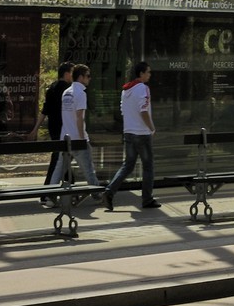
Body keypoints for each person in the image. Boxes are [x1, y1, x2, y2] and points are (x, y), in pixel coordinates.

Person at [104, 60, 160, 211]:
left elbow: (123, 111)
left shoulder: (125, 90)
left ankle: (109, 191)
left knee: (128, 165)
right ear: (141, 73)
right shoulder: (143, 88)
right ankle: (147, 199)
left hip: (128, 132)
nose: (149, 75)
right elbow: (143, 111)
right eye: (148, 72)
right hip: (142, 133)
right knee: (148, 167)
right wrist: (152, 128)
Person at [57, 64, 100, 198]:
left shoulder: (66, 92)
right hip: (77, 138)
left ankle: (49, 196)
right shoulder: (81, 93)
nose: (89, 79)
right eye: (88, 76)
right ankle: (98, 195)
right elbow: (79, 118)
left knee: (59, 171)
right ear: (81, 77)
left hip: (65, 138)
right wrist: (82, 139)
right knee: (89, 170)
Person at [39, 59, 74, 199]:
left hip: (54, 127)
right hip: (63, 129)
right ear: (66, 74)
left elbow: (45, 110)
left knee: (62, 158)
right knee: (58, 160)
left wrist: (35, 128)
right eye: (72, 73)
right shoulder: (67, 90)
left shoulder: (51, 87)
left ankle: (68, 184)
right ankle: (47, 192)